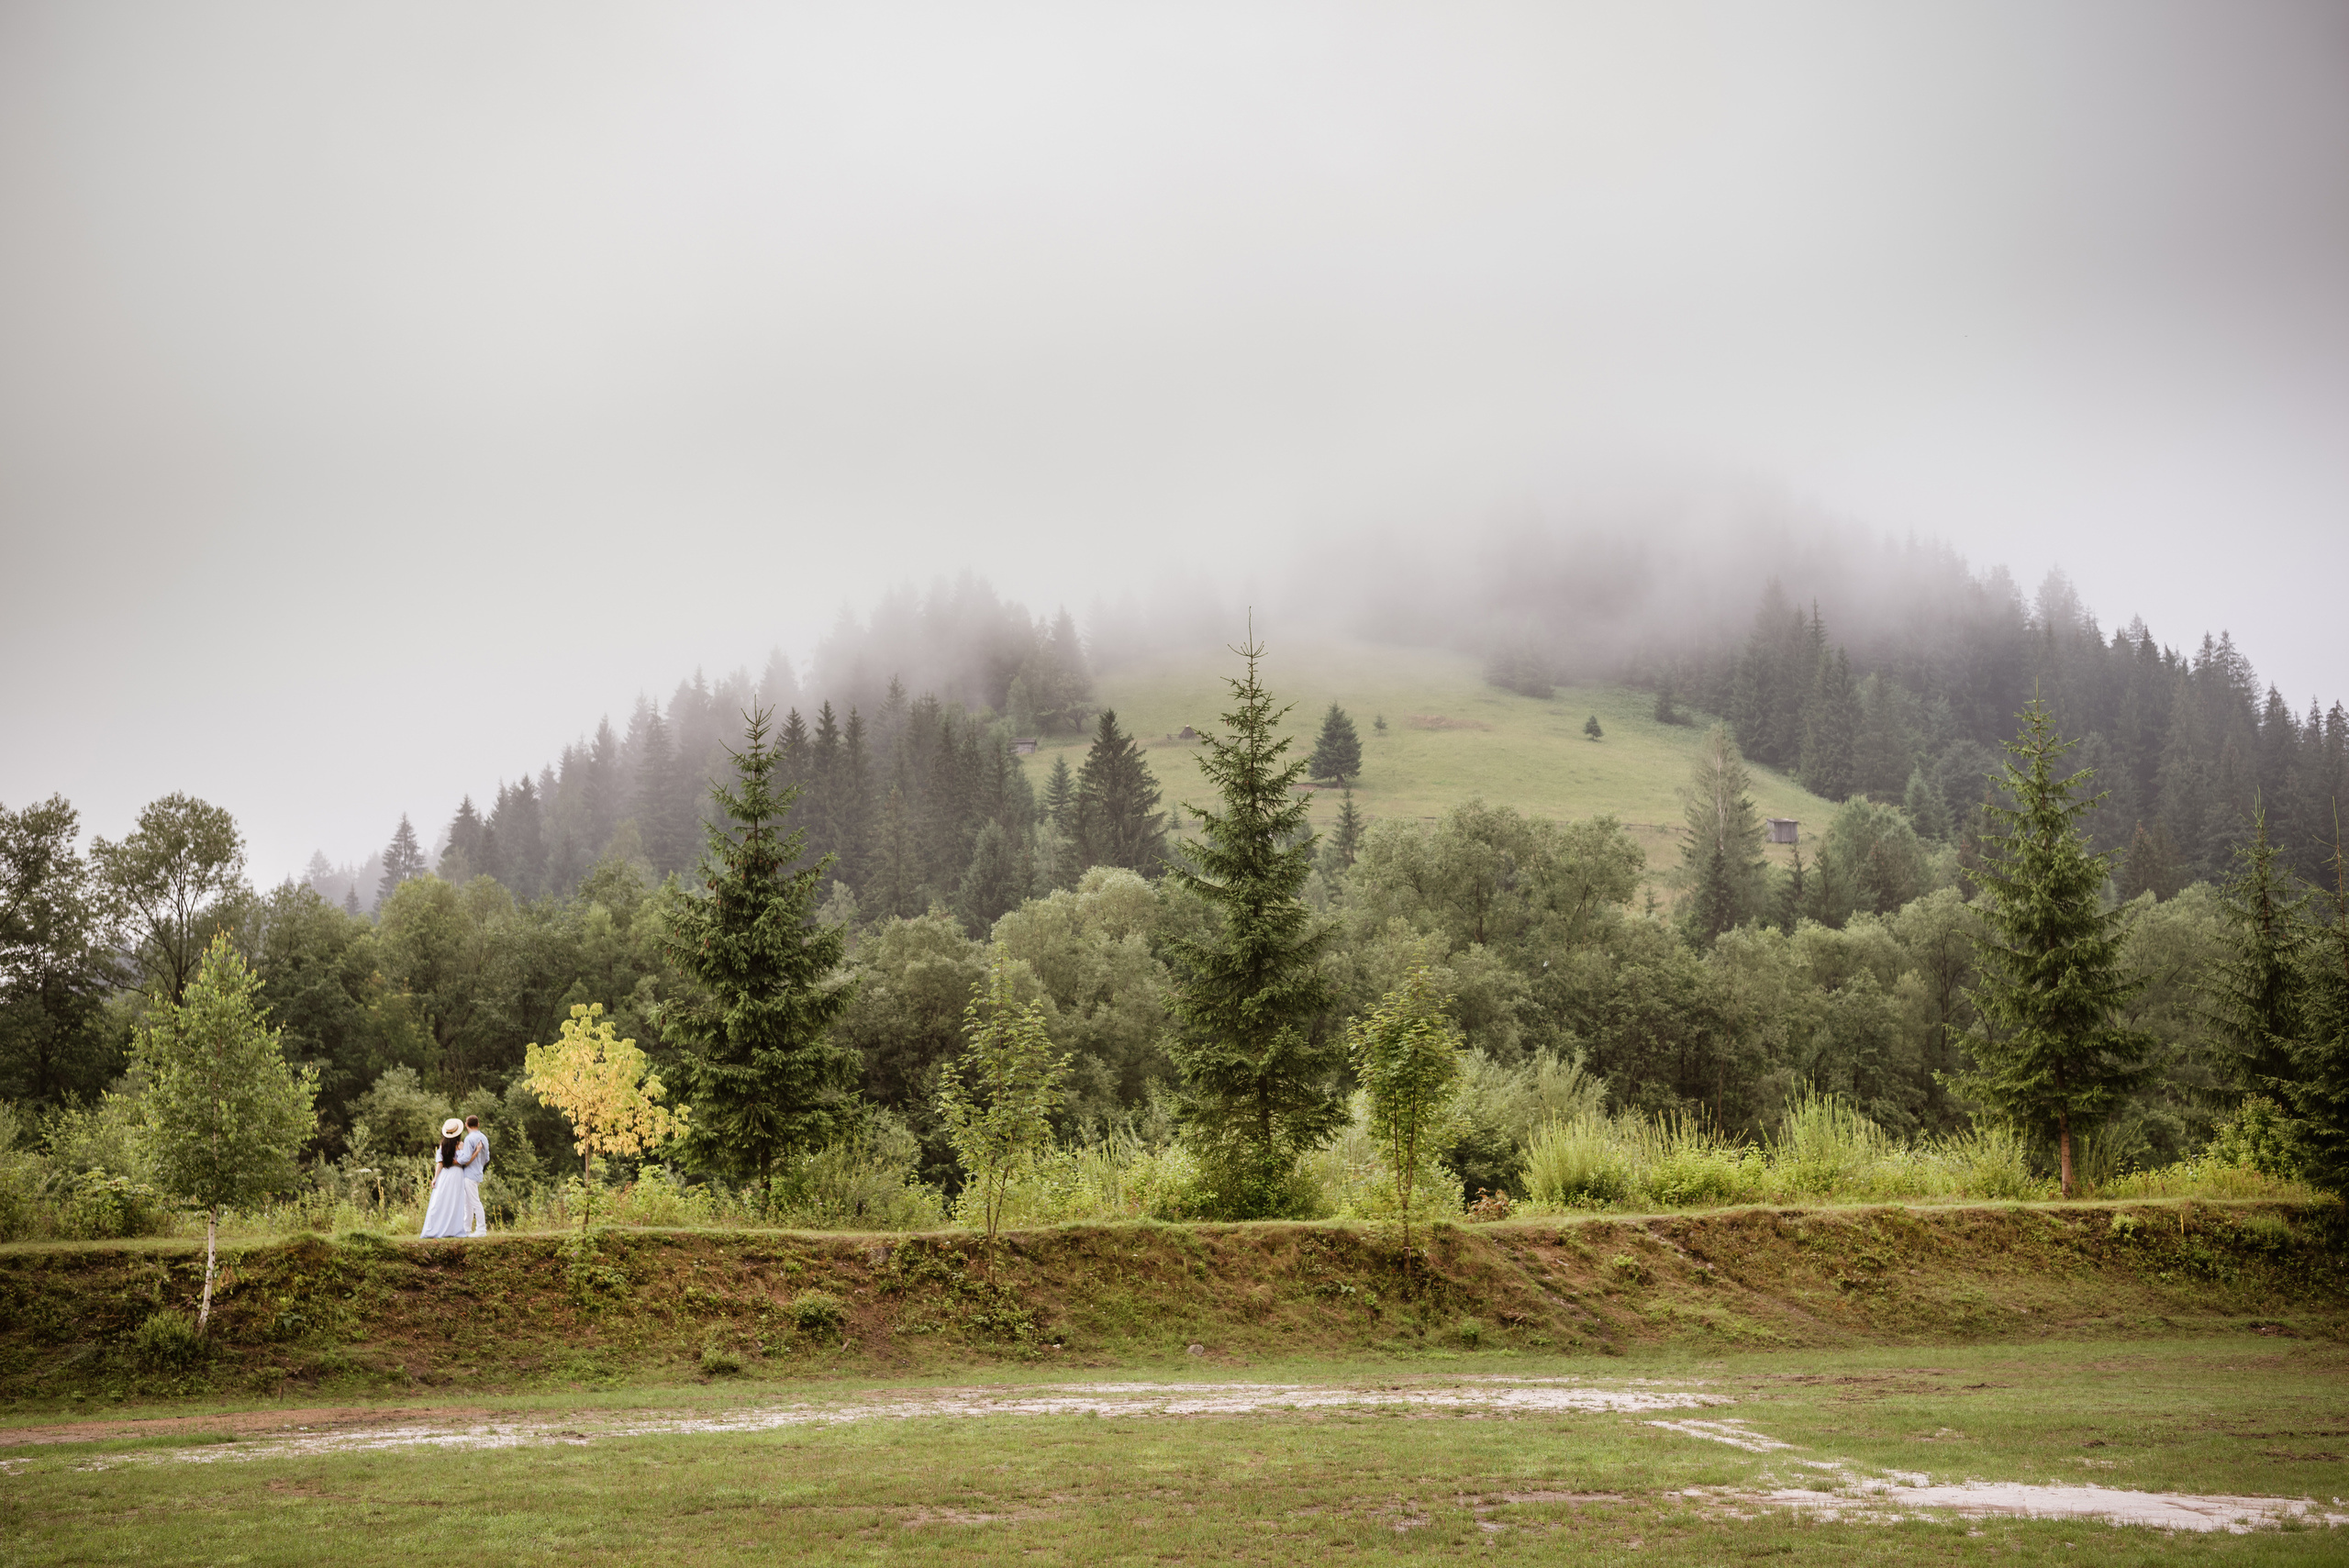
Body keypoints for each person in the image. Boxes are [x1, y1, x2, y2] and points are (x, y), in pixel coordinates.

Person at [418, 1117, 473, 1239]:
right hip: (457, 1175)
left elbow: (440, 1163)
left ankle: (437, 1228)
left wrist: (435, 1178)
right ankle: (452, 1229)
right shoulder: (461, 1145)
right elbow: (465, 1161)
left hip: (445, 1174)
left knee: (441, 1201)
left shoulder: (443, 1145)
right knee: (454, 1202)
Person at [458, 1114, 491, 1236]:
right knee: (469, 1204)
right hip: (478, 1173)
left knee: (475, 1202)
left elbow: (466, 1158)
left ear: (466, 1125)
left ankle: (481, 1229)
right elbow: (487, 1158)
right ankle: (466, 1230)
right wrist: (479, 1164)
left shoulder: (469, 1139)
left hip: (469, 1174)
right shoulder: (484, 1138)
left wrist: (458, 1158)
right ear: (478, 1124)